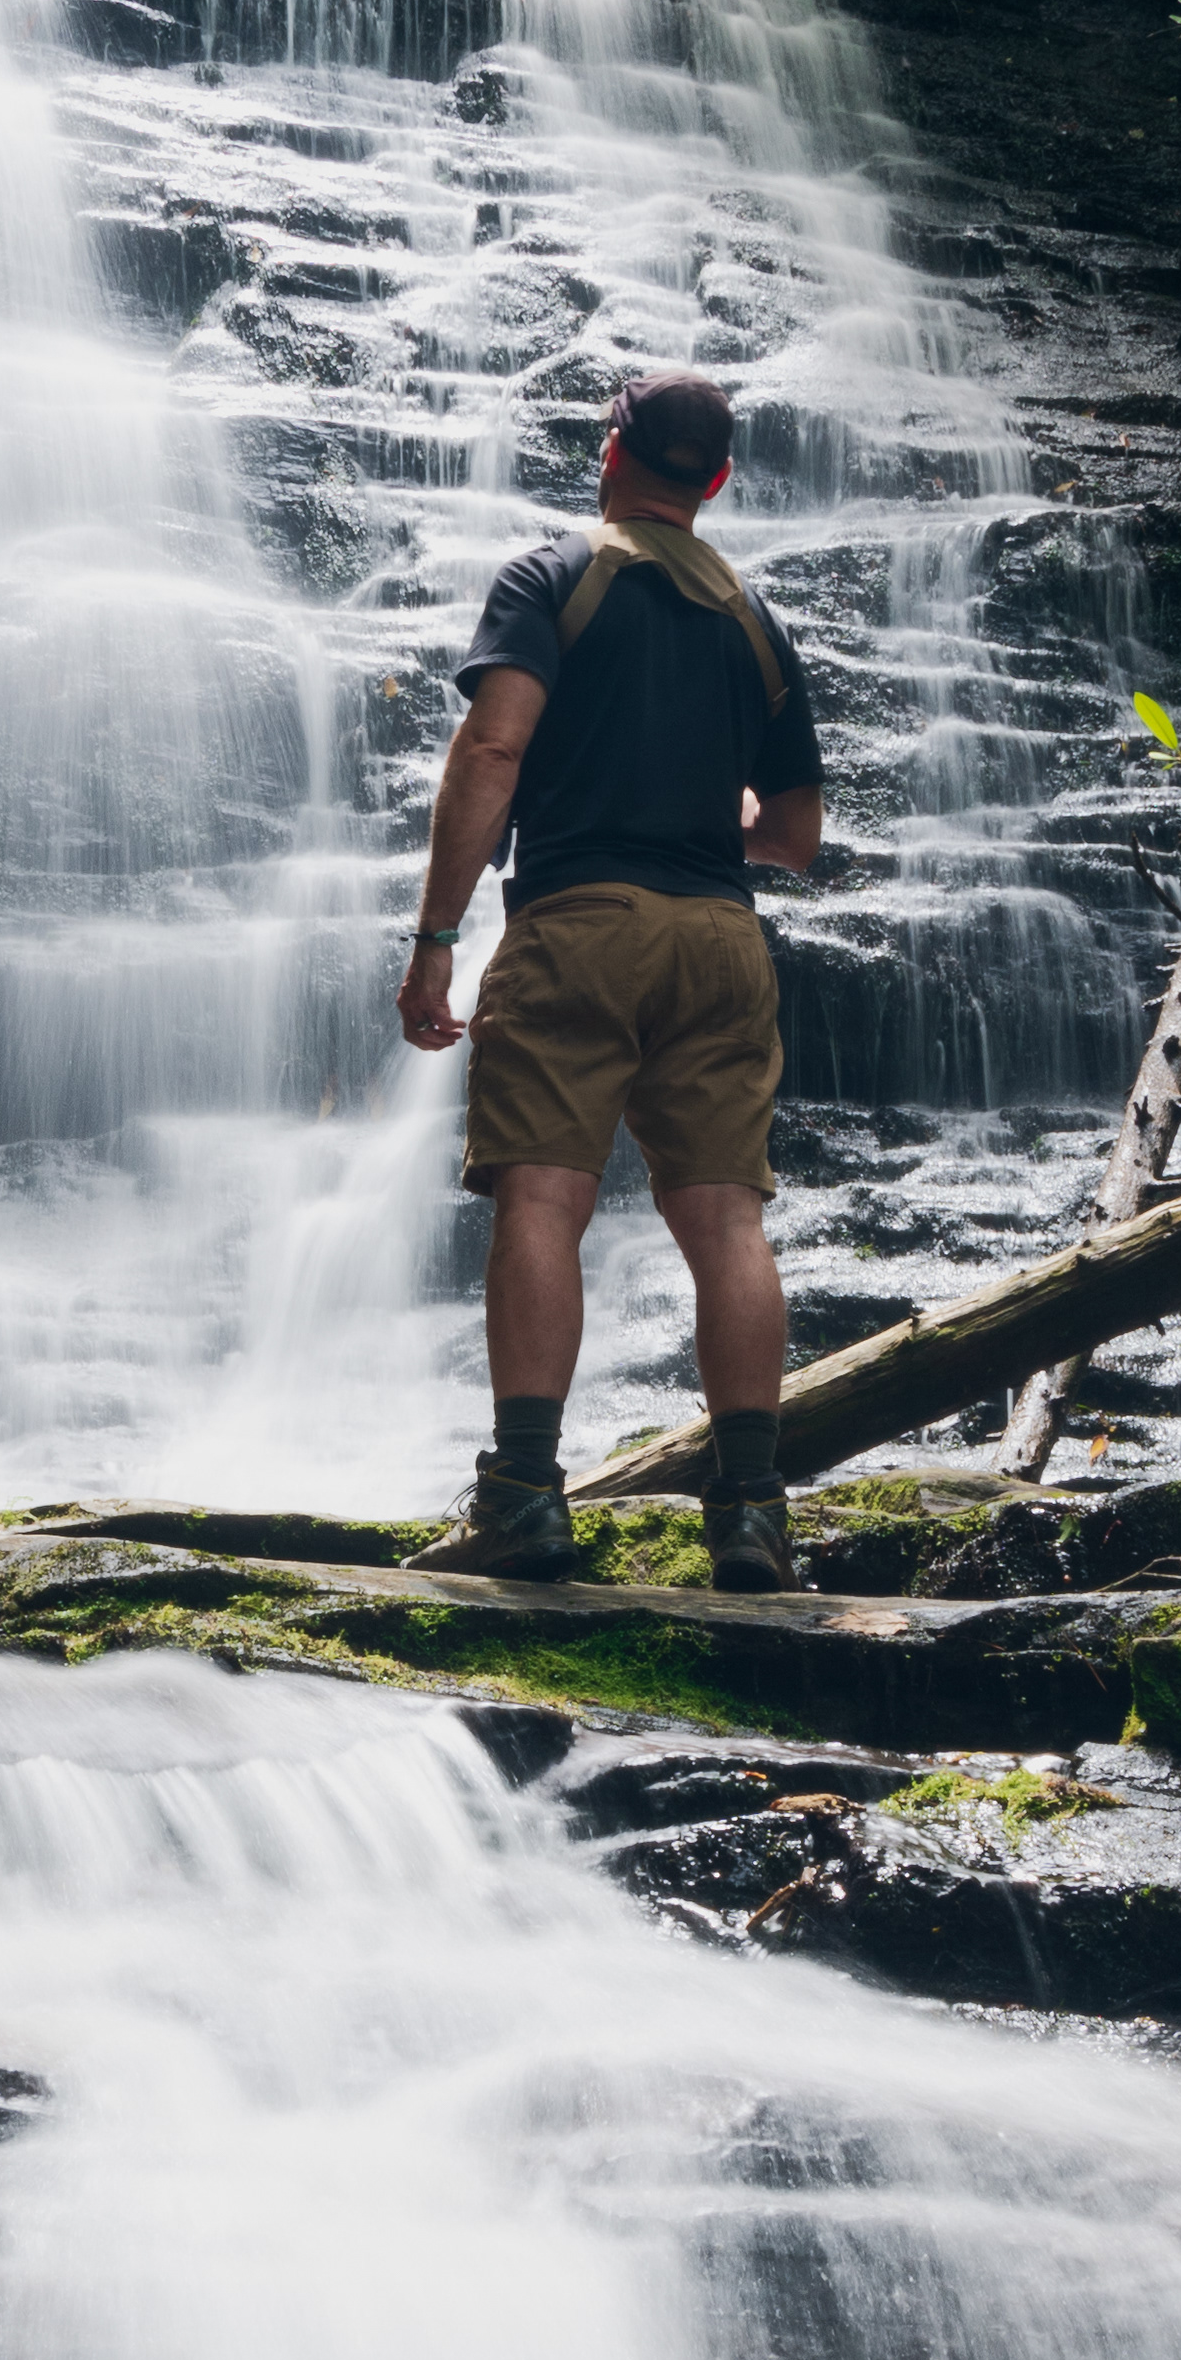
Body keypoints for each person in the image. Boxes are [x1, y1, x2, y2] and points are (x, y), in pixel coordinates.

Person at [397, 369, 825, 1590]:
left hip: (579, 922)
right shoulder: (755, 620)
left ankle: (526, 1499)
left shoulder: (550, 578)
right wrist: (697, 826)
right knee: (726, 1220)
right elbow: (795, 835)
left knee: (543, 1201)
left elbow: (493, 744)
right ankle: (751, 1513)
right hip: (720, 940)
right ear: (719, 480)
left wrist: (436, 939)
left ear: (609, 452)